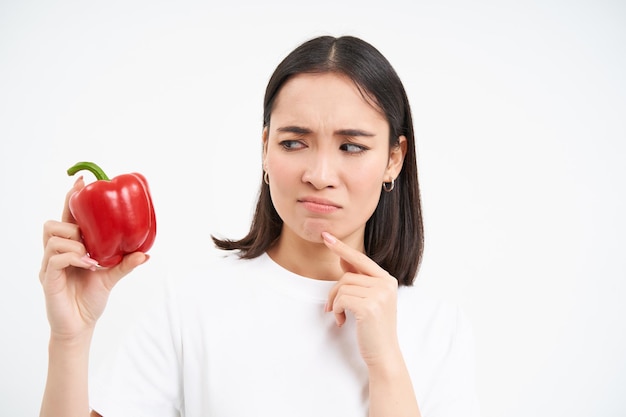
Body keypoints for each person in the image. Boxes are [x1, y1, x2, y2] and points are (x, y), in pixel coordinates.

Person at [39, 35, 479, 417]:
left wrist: (385, 362)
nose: (320, 173)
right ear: (266, 149)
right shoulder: (190, 307)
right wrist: (70, 338)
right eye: (294, 142)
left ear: (393, 159)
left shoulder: (438, 329)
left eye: (350, 146)